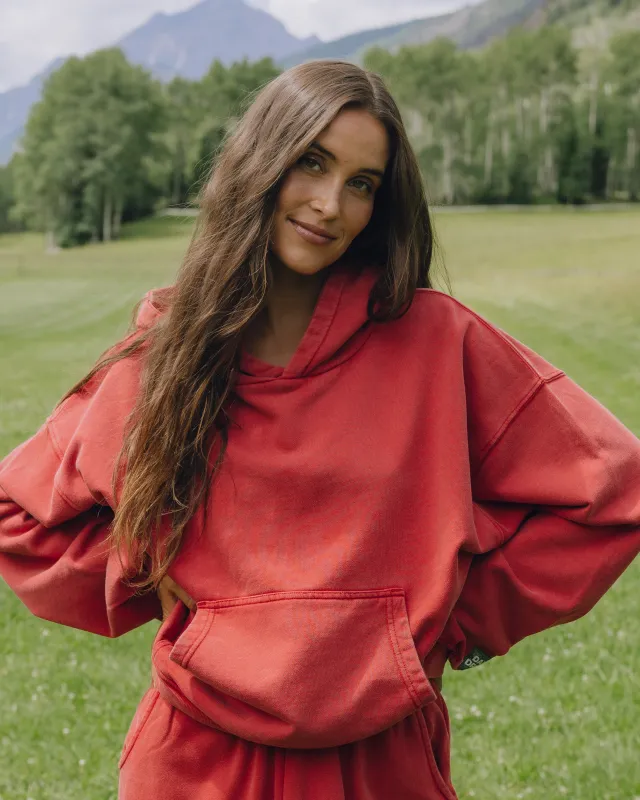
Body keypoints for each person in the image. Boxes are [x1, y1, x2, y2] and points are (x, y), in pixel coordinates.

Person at [0, 59, 639, 800]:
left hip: (383, 766)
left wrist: (451, 621)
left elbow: (613, 491)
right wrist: (144, 570)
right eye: (312, 162)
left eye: (362, 183)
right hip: (194, 764)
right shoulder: (168, 356)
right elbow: (19, 514)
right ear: (260, 162)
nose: (330, 204)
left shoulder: (437, 342)